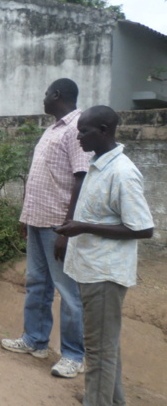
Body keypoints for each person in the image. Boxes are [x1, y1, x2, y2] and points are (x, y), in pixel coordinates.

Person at [56, 106, 154, 405]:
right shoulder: (98, 164)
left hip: (105, 275)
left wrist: (84, 226)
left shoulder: (122, 172)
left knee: (99, 351)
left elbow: (143, 228)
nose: (78, 136)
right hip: (90, 269)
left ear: (103, 130)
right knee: (105, 346)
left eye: (83, 131)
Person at [0, 78, 89, 378]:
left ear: (57, 94)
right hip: (37, 220)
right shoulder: (53, 129)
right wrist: (26, 217)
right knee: (37, 283)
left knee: (67, 289)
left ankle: (73, 356)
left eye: (45, 94)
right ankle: (35, 341)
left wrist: (67, 228)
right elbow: (40, 177)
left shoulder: (78, 126)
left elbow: (81, 178)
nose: (43, 99)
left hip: (57, 224)